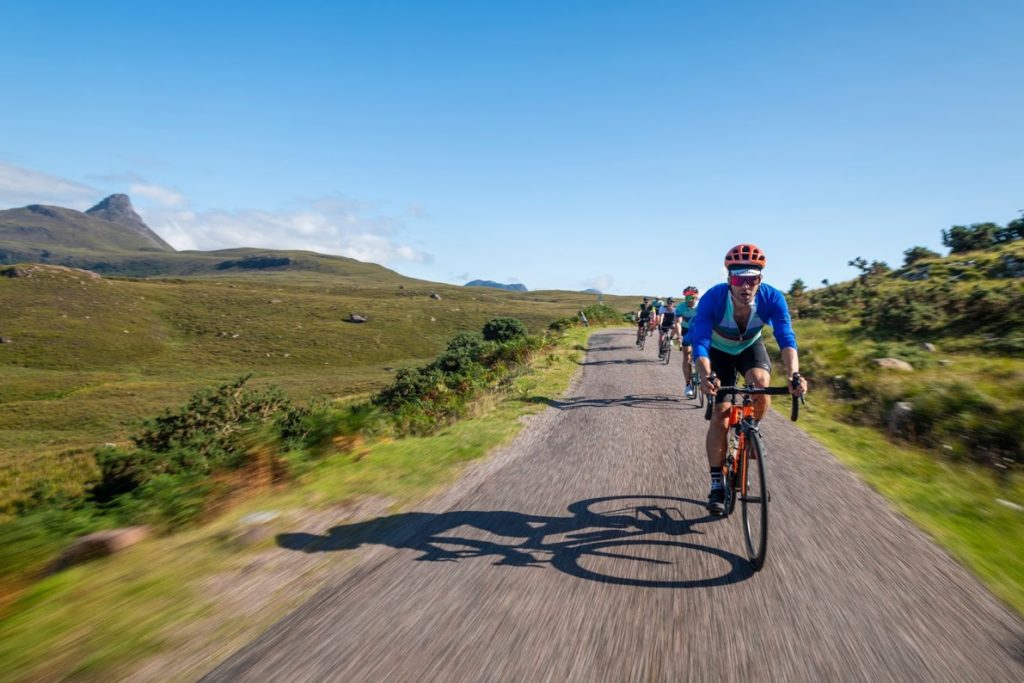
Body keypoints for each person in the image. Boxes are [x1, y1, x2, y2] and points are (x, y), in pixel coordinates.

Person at [687, 244, 808, 515]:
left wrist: (793, 375)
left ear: (760, 280)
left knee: (761, 385)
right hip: (718, 352)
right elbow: (701, 341)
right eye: (740, 279)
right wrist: (706, 375)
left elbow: (786, 337)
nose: (746, 286)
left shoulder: (772, 298)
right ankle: (717, 481)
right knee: (721, 413)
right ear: (729, 279)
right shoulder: (714, 299)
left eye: (752, 279)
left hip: (749, 348)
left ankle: (751, 430)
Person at [674, 286, 700, 398]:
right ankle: (688, 385)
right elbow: (678, 323)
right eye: (687, 297)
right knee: (686, 354)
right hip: (686, 331)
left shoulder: (702, 305)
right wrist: (679, 335)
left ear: (696, 296)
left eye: (692, 297)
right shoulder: (681, 307)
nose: (689, 299)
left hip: (699, 330)